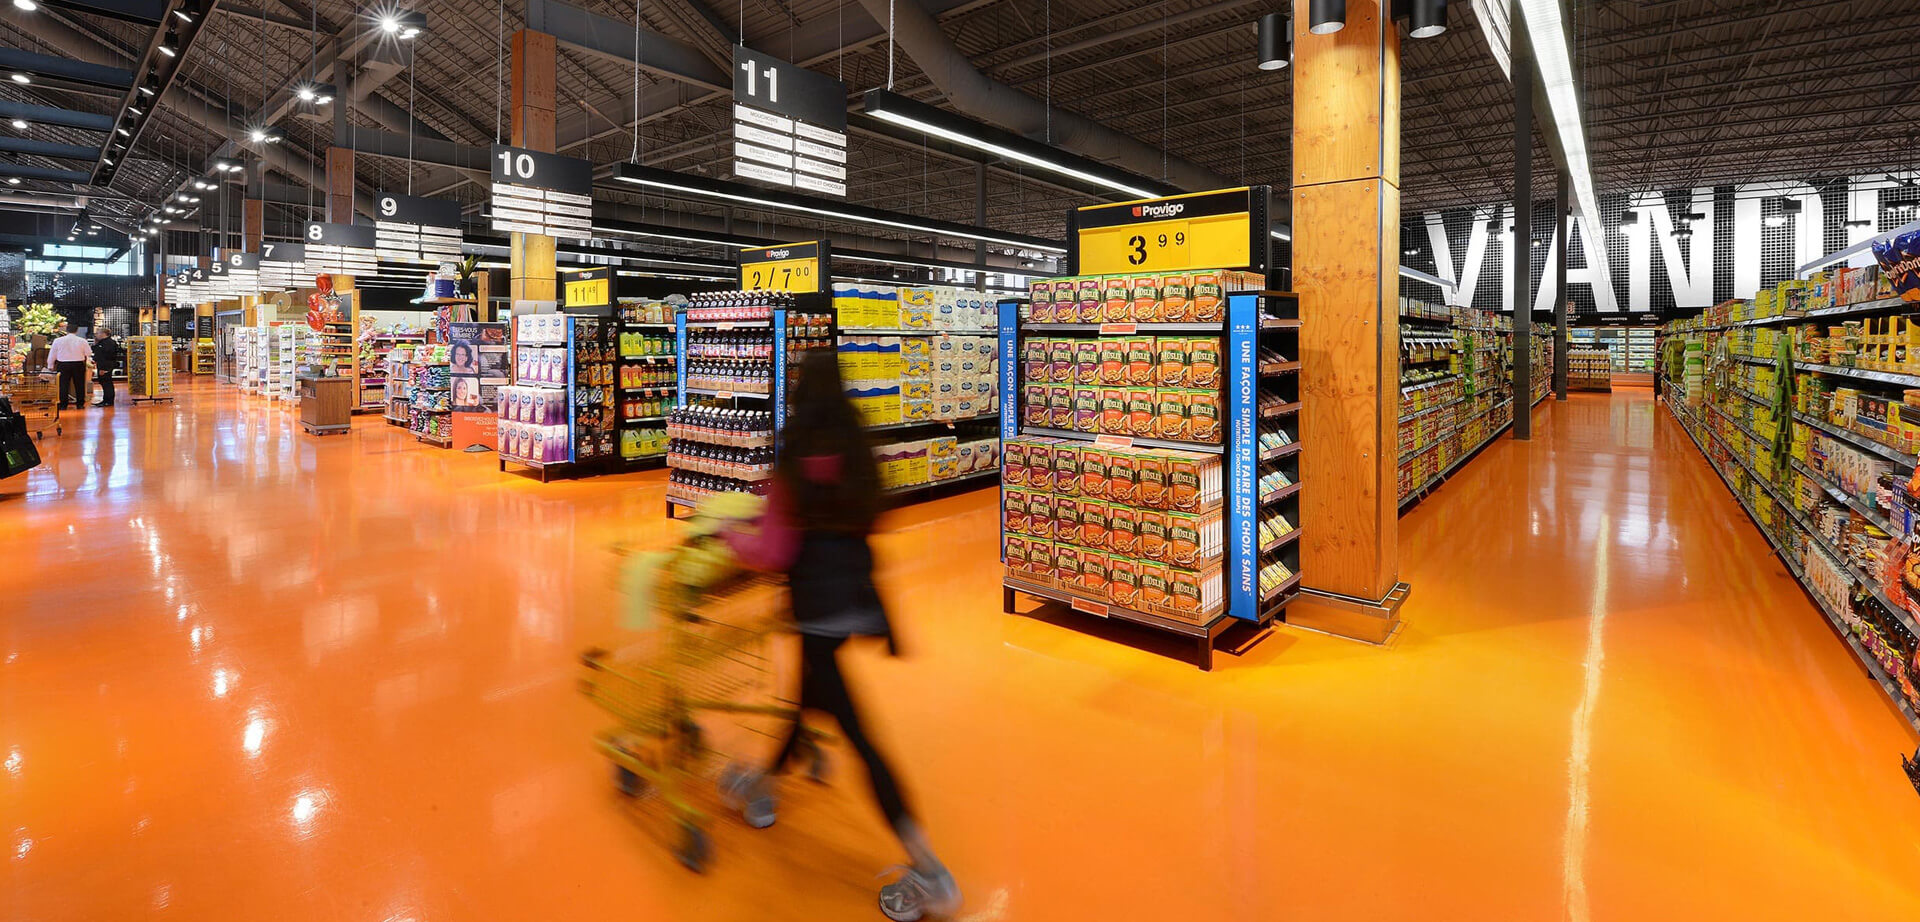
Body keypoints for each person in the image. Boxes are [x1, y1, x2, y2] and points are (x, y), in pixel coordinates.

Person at [720, 350, 960, 922]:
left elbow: (773, 550)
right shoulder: (858, 452)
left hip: (813, 608)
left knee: (857, 731)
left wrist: (732, 536)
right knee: (806, 696)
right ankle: (762, 784)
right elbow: (875, 517)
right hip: (853, 602)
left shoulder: (793, 459)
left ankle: (929, 868)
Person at [46, 323, 92, 411]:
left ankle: (63, 405)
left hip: (63, 364)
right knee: (79, 385)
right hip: (78, 364)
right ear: (77, 330)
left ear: (66, 330)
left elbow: (52, 354)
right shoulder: (82, 341)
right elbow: (88, 353)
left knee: (63, 385)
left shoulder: (58, 340)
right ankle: (80, 404)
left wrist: (50, 365)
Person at [91, 326, 125, 407]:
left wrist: (103, 368)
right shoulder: (103, 342)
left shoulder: (108, 343)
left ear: (104, 334)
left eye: (98, 333)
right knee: (104, 383)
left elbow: (106, 356)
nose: (96, 335)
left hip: (106, 365)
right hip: (103, 365)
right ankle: (106, 400)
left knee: (107, 383)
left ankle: (108, 401)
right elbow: (96, 352)